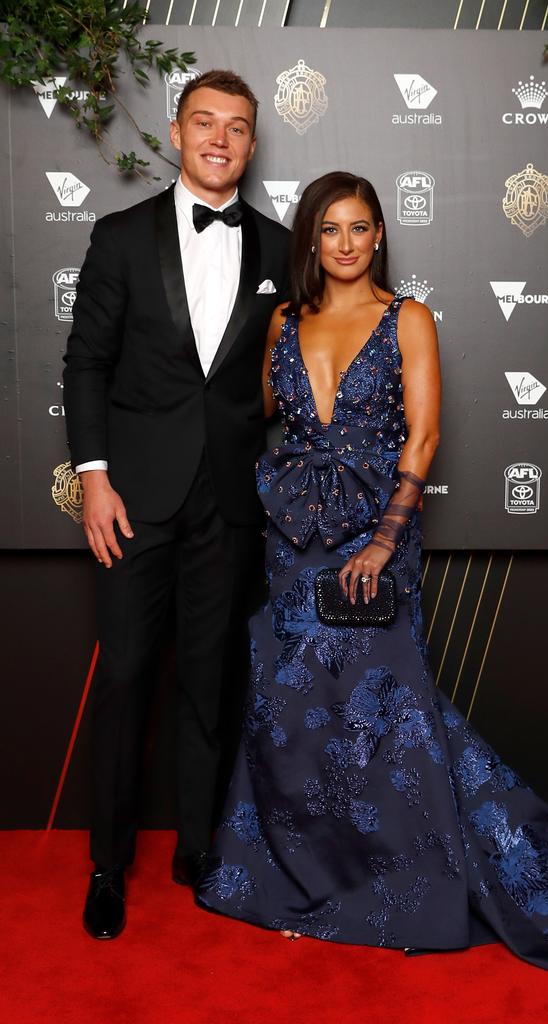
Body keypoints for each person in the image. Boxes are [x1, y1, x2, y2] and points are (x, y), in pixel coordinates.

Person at [197, 171, 548, 982]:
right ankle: (298, 879)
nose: (348, 244)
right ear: (310, 242)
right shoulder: (284, 321)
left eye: (361, 229)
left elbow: (423, 440)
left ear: (380, 236)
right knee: (295, 712)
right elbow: (259, 411)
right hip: (293, 540)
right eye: (331, 231)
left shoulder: (409, 319)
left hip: (374, 538)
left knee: (386, 718)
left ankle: (399, 889)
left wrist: (383, 542)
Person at [62, 69, 290, 940]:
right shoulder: (121, 236)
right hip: (134, 499)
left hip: (228, 502)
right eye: (205, 123)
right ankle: (107, 866)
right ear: (178, 130)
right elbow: (86, 362)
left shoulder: (275, 248)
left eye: (236, 127)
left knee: (210, 682)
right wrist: (93, 475)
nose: (220, 139)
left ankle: (199, 849)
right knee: (123, 678)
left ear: (252, 143)